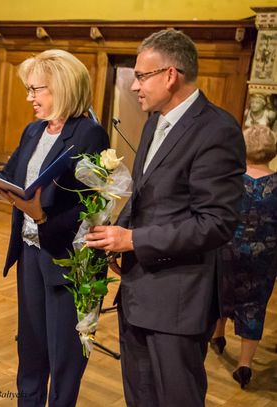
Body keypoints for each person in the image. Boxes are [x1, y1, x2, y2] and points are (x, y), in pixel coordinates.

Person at [84, 29, 246, 406]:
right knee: (139, 398)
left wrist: (134, 240)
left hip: (179, 301)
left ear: (170, 75)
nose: (136, 86)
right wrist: (115, 232)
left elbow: (216, 223)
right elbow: (147, 197)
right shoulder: (156, 121)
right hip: (139, 291)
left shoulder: (217, 130)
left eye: (142, 76)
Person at [0, 49, 109, 406]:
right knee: (31, 346)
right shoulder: (34, 129)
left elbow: (90, 207)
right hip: (31, 252)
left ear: (61, 88)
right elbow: (9, 179)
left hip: (68, 261)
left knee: (64, 354)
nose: (29, 98)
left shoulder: (89, 135)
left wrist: (40, 217)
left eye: (36, 89)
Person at [210, 125, 277, 388]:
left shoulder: (230, 180)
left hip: (226, 250)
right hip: (264, 258)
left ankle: (217, 335)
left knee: (221, 293)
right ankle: (245, 364)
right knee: (255, 305)